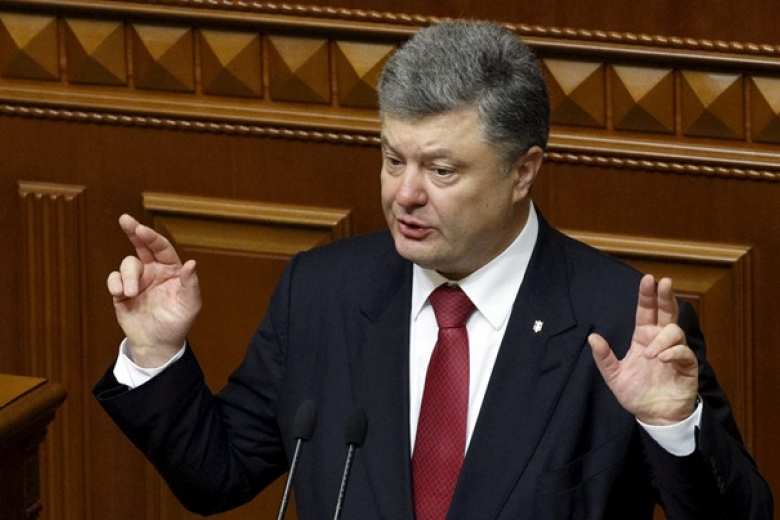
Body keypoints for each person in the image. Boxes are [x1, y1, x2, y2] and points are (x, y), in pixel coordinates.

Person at [93, 20, 773, 519]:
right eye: (394, 160)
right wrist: (156, 354)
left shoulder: (618, 322)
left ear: (523, 171)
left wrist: (673, 427)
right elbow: (218, 477)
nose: (405, 195)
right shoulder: (323, 291)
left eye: (441, 170)